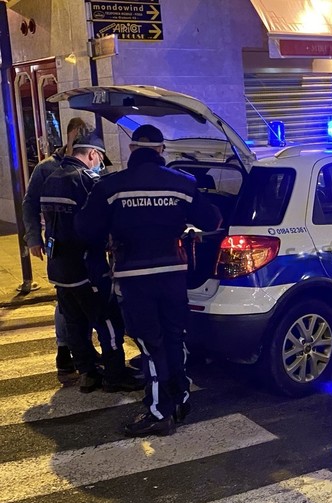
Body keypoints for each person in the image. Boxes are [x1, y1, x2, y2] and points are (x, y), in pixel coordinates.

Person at [76, 124, 221, 437]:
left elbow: (86, 229)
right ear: (160, 150)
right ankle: (181, 400)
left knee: (150, 344)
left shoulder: (110, 186)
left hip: (135, 278)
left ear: (131, 150)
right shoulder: (182, 183)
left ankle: (158, 412)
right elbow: (211, 220)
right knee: (174, 337)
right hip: (173, 276)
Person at [39, 129, 143, 394]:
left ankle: (87, 373)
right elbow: (97, 221)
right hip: (87, 267)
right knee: (108, 320)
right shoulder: (84, 180)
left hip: (59, 268)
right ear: (93, 154)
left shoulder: (51, 178)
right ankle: (115, 374)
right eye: (99, 158)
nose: (99, 164)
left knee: (75, 323)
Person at [22, 117, 93, 384]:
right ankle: (65, 353)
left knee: (81, 300)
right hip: (61, 245)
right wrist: (33, 239)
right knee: (66, 300)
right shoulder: (46, 168)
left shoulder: (92, 160)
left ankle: (84, 356)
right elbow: (30, 204)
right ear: (70, 135)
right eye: (81, 134)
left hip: (87, 246)